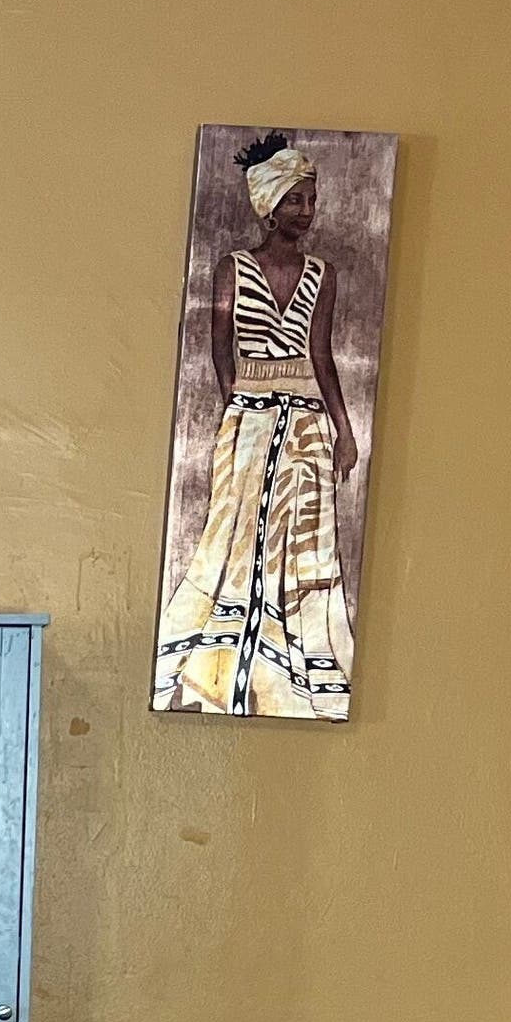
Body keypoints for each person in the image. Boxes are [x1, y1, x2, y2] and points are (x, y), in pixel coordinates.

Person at [153, 132, 365, 720]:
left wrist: (343, 430)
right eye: (296, 200)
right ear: (269, 205)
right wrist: (239, 404)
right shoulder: (234, 268)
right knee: (237, 524)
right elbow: (221, 346)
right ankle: (222, 662)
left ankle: (292, 662)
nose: (306, 211)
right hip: (248, 419)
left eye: (312, 200)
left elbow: (322, 355)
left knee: (301, 537)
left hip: (306, 424)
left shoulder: (323, 274)